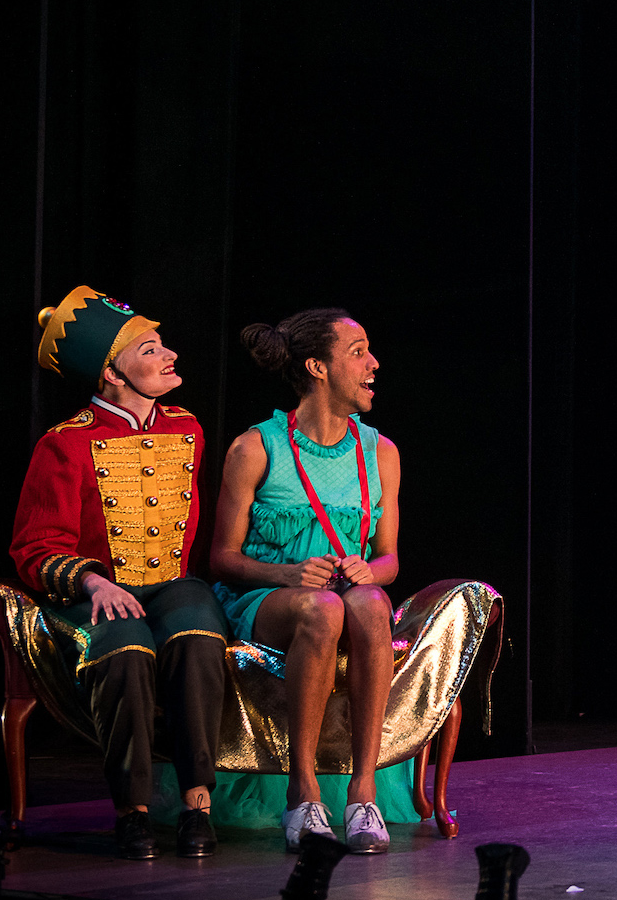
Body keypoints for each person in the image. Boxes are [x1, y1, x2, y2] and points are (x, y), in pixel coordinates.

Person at [10, 285, 228, 859]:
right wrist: (92, 581)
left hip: (171, 585)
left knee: (199, 637)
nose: (169, 356)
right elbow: (34, 547)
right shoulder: (65, 445)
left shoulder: (188, 428)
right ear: (111, 372)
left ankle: (197, 801)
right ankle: (131, 812)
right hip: (96, 592)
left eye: (162, 346)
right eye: (151, 350)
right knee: (127, 651)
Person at [210, 308, 400, 854]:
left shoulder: (380, 453)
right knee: (322, 609)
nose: (374, 363)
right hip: (269, 599)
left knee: (366, 604)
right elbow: (221, 558)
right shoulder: (256, 447)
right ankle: (303, 790)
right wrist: (284, 574)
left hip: (346, 595)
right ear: (318, 366)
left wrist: (370, 570)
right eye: (358, 351)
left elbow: (388, 560)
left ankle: (362, 793)